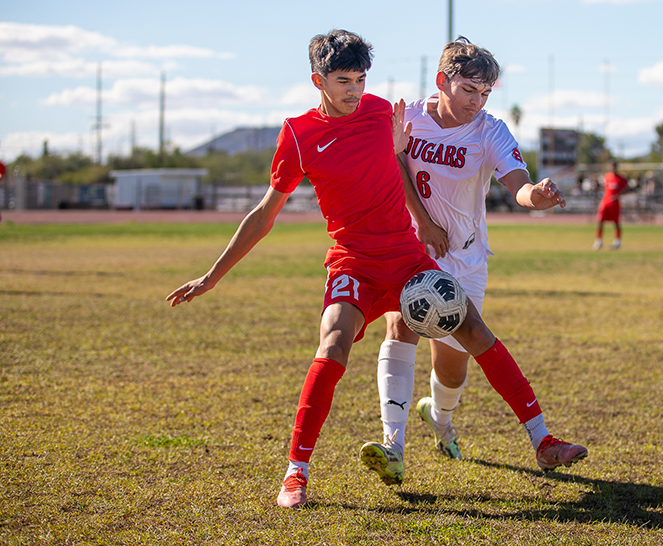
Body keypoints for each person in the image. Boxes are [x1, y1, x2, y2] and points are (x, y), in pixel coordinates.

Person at [166, 29, 578, 510]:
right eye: (343, 80)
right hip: (353, 261)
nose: (354, 91)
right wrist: (212, 276)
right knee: (333, 343)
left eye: (360, 79)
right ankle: (297, 473)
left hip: (407, 258)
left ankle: (542, 439)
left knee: (473, 333)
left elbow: (404, 161)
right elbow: (264, 214)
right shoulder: (298, 134)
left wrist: (413, 177)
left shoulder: (385, 112)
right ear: (317, 80)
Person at [360, 37, 587, 487]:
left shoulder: (490, 130)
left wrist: (535, 197)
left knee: (452, 365)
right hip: (410, 252)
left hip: (464, 258)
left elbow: (518, 185)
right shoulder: (411, 117)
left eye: (484, 93)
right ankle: (393, 447)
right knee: (398, 326)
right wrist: (422, 222)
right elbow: (396, 163)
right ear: (443, 81)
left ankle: (440, 418)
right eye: (468, 90)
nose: (476, 102)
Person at [593, 160, 629, 250]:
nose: (613, 168)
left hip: (615, 203)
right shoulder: (607, 177)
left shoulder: (621, 178)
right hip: (605, 202)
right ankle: (599, 241)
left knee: (616, 222)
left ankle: (617, 241)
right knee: (600, 221)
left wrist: (618, 195)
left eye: (614, 167)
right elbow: (603, 187)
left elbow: (626, 189)